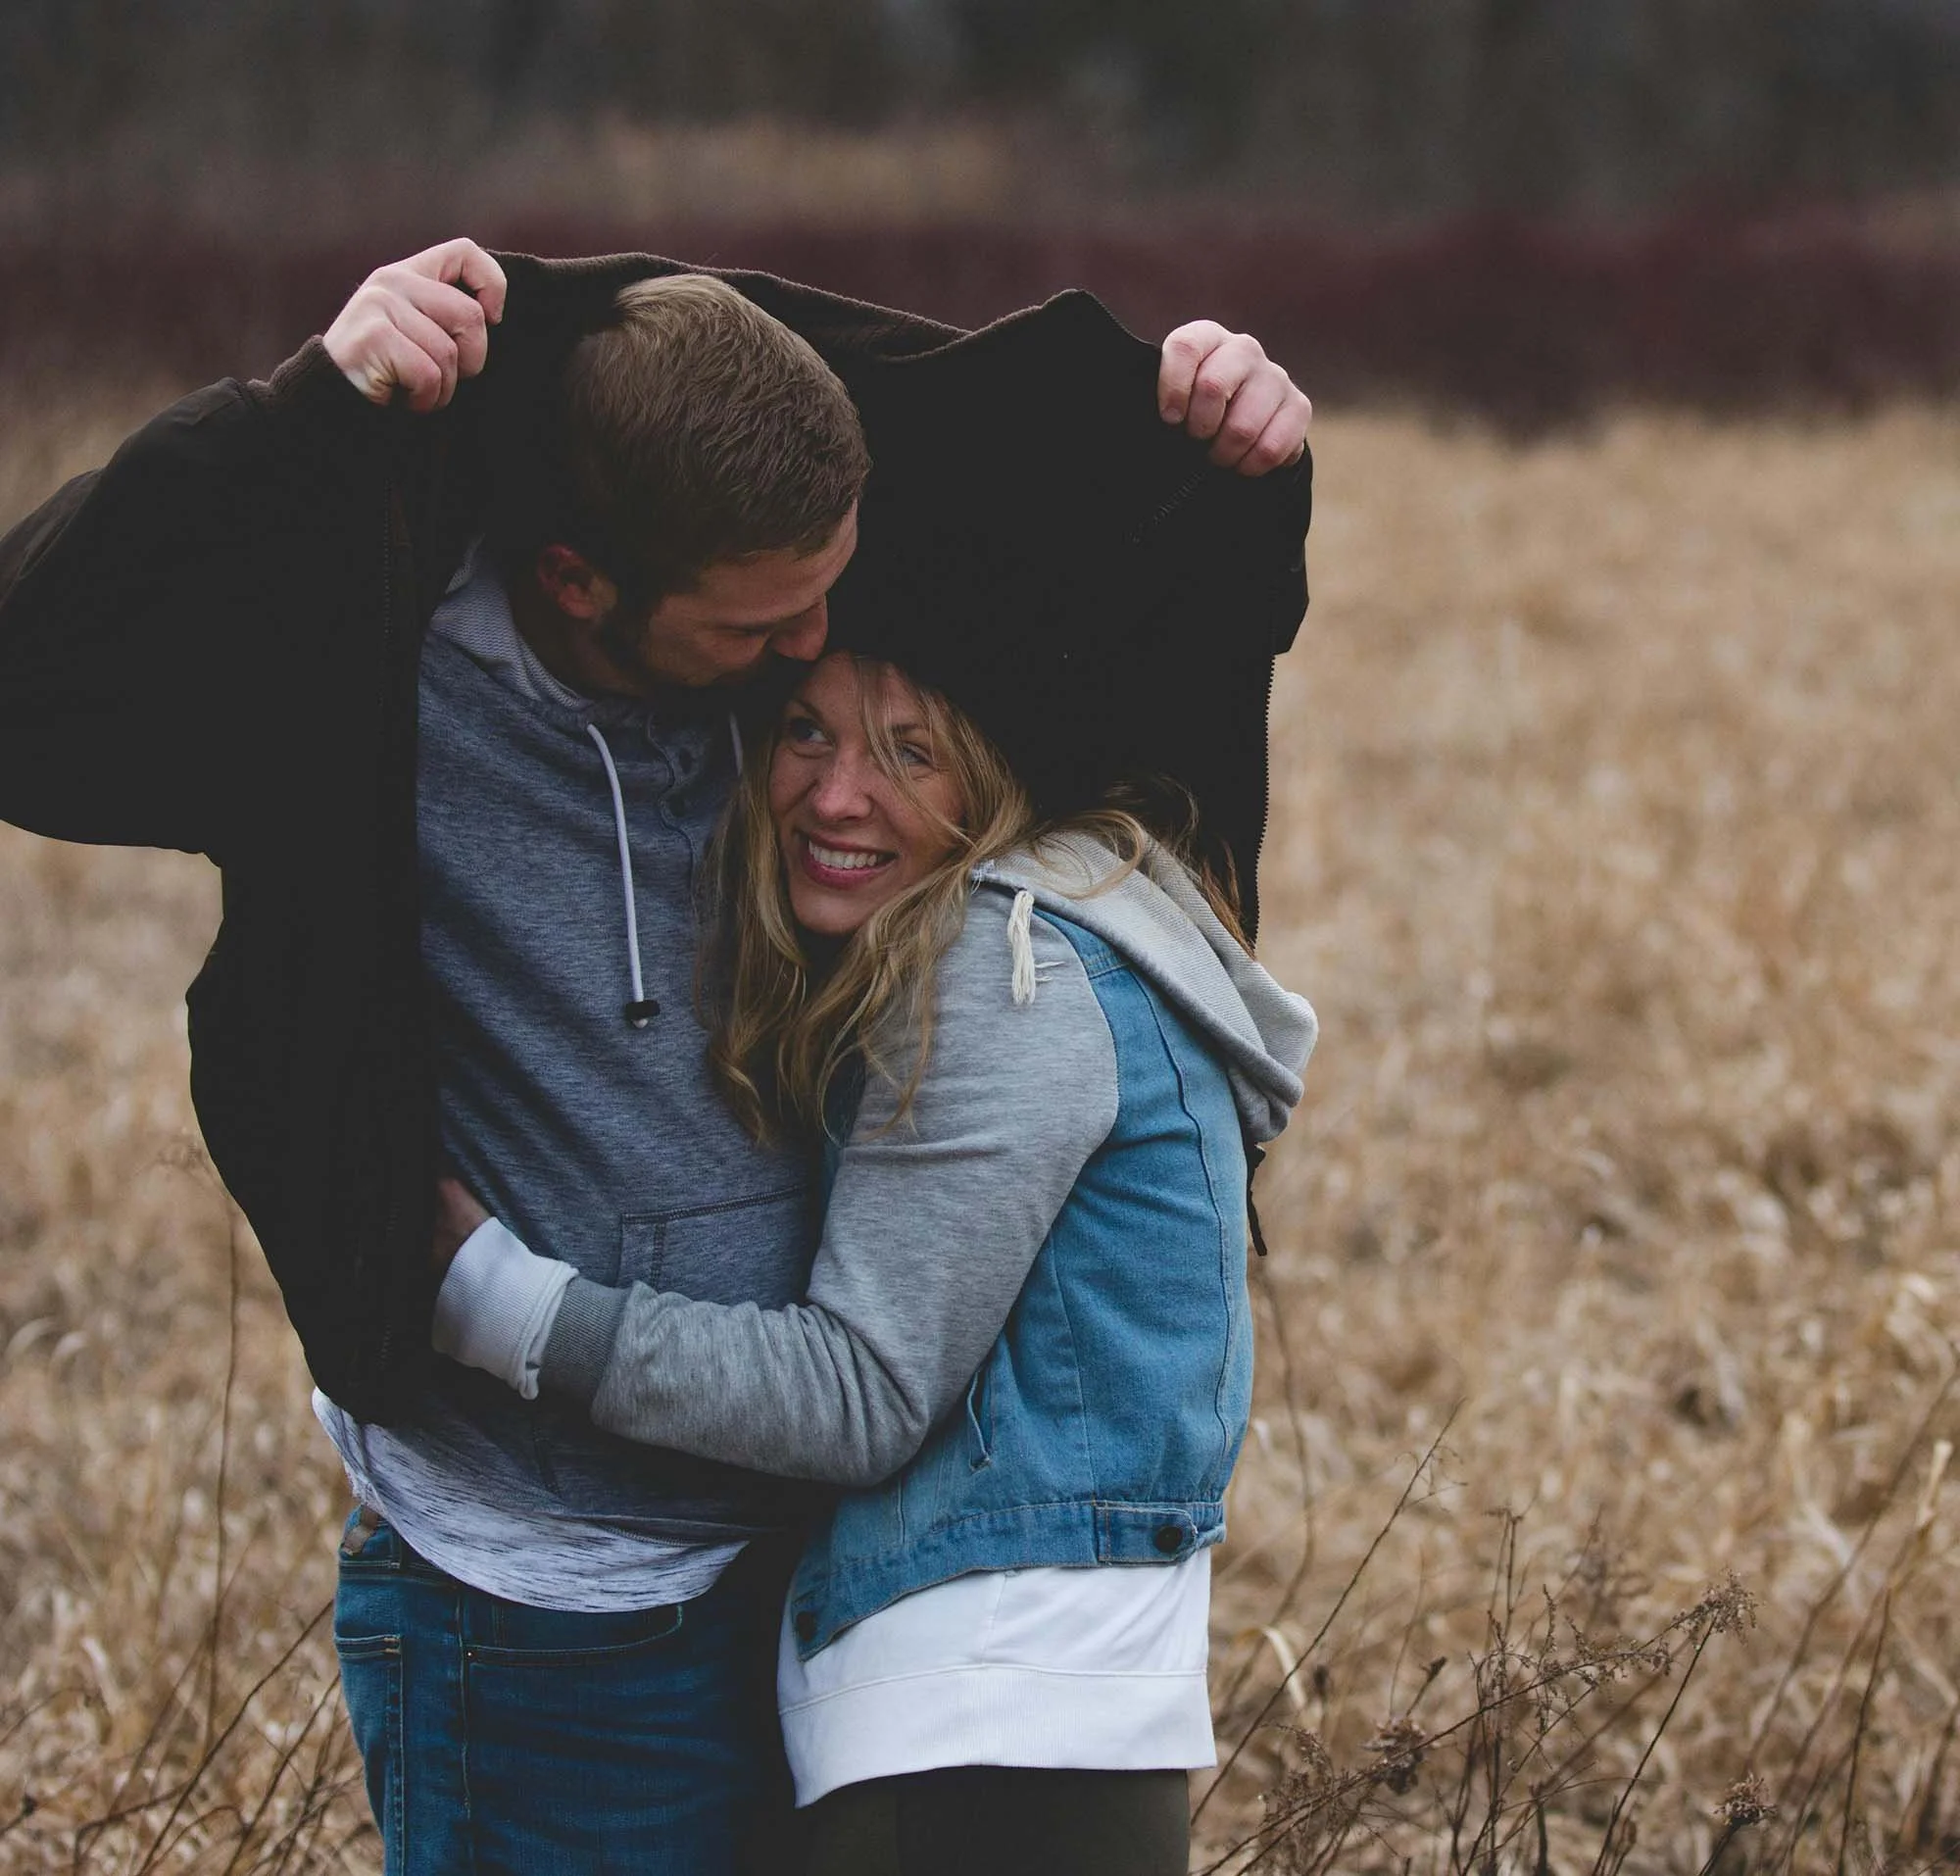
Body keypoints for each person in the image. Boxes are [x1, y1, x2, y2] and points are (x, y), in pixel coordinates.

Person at [0, 237, 1312, 1872]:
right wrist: (301, 410)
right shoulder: (365, 678)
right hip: (542, 1603)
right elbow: (34, 660)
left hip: (799, 1581)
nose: (818, 643)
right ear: (578, 581)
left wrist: (1239, 445)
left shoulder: (774, 616)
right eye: (771, 629)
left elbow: (1096, 578)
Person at [430, 643, 1316, 1875]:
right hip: (1039, 1721)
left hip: (974, 1736)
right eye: (806, 732)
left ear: (996, 778)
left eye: (910, 752)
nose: (838, 795)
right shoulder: (1077, 927)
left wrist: (497, 1304)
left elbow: (859, 1394)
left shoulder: (1010, 972)